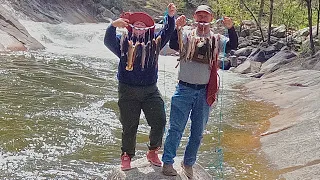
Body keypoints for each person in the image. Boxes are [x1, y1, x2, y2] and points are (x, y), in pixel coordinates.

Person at [161, 5, 238, 178]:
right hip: (184, 89)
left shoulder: (217, 38)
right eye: (199, 15)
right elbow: (173, 44)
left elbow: (233, 45)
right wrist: (177, 27)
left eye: (206, 16)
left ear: (211, 18)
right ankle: (167, 162)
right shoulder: (187, 34)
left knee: (197, 132)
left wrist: (231, 28)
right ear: (194, 17)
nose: (202, 18)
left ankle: (188, 164)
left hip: (204, 93)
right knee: (175, 129)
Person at [104, 3, 176, 171]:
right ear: (131, 28)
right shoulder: (122, 43)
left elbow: (167, 31)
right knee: (129, 125)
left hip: (150, 90)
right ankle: (127, 155)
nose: (139, 28)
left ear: (148, 29)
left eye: (143, 26)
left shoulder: (155, 43)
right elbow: (107, 41)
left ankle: (152, 150)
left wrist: (171, 17)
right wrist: (113, 25)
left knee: (159, 120)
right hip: (127, 90)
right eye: (136, 26)